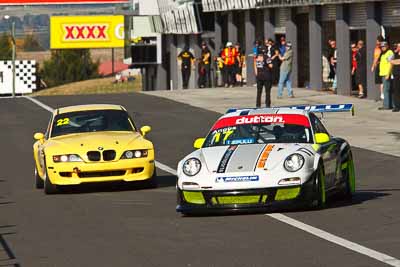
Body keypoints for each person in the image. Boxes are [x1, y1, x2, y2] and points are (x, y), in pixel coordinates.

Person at [378, 41, 394, 110]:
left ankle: (386, 106)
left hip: (387, 74)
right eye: (381, 47)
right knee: (387, 89)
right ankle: (390, 104)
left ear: (387, 46)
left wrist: (388, 74)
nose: (382, 48)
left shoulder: (389, 52)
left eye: (383, 46)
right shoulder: (383, 54)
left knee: (386, 90)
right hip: (383, 73)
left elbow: (391, 63)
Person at [371, 35, 385, 100]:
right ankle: (382, 94)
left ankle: (382, 94)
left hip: (380, 65)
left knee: (381, 81)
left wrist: (373, 66)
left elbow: (376, 58)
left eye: (377, 41)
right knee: (382, 80)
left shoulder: (378, 48)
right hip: (382, 65)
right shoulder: (384, 48)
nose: (376, 42)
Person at [390, 43, 400, 112]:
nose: (397, 47)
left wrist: (393, 61)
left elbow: (397, 62)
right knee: (396, 90)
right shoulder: (395, 54)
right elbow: (389, 60)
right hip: (396, 75)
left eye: (398, 46)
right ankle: (397, 106)